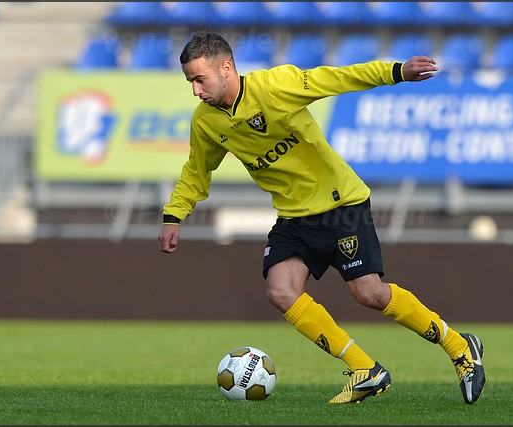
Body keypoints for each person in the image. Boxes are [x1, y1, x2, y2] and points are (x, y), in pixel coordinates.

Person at [158, 31, 486, 405]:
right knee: (280, 292)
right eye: (190, 82)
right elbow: (197, 170)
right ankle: (365, 369)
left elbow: (337, 78)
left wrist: (395, 71)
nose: (196, 91)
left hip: (340, 205)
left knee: (370, 294)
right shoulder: (206, 122)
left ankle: (460, 347)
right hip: (294, 216)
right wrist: (174, 215)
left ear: (226, 68)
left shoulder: (276, 85)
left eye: (199, 80)